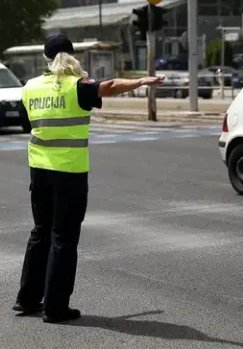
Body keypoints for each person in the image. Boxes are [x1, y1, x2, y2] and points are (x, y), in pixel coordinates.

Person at [13, 34, 163, 323]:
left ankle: (27, 299)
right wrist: (141, 82)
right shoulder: (77, 85)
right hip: (69, 173)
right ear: (71, 56)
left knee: (40, 232)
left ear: (45, 59)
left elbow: (24, 121)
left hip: (39, 172)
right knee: (63, 239)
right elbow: (109, 87)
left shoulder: (30, 87)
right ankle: (56, 308)